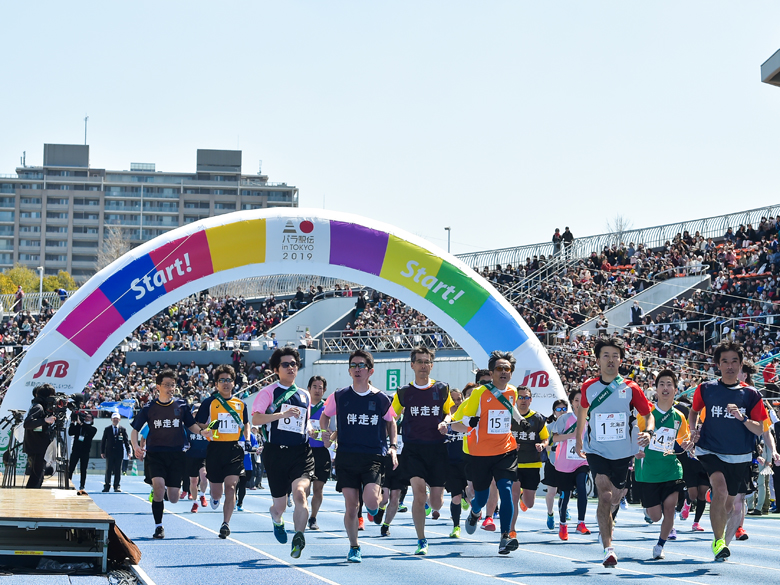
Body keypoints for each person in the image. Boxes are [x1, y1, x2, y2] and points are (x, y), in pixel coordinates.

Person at [575, 337, 654, 567]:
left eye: (615, 356)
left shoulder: (631, 388)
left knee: (616, 497)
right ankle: (608, 549)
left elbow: (648, 415)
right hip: (596, 449)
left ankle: (606, 522)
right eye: (606, 356)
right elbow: (582, 411)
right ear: (598, 360)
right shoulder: (589, 386)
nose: (611, 360)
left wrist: (648, 433)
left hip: (623, 452)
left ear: (621, 359)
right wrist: (580, 439)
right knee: (605, 493)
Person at [687, 341, 769, 561]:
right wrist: (693, 431)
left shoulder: (751, 394)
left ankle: (715, 507)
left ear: (741, 364)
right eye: (725, 361)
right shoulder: (706, 389)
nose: (730, 366)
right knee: (720, 489)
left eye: (735, 361)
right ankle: (718, 541)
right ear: (717, 364)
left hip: (740, 455)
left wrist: (742, 418)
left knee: (729, 503)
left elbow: (760, 427)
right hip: (710, 449)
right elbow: (693, 412)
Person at [320, 349, 398, 563]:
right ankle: (354, 546)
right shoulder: (339, 395)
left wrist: (393, 446)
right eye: (353, 365)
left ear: (370, 370)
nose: (357, 369)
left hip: (373, 455)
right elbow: (325, 416)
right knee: (351, 505)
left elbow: (391, 423)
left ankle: (375, 508)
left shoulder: (382, 398)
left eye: (361, 365)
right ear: (348, 370)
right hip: (346, 455)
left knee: (371, 500)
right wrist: (326, 434)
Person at [452, 351, 523, 556]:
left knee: (506, 490)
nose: (503, 372)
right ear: (491, 373)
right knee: (481, 497)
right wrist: (471, 422)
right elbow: (463, 420)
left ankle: (505, 536)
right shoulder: (479, 393)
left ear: (511, 373)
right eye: (499, 369)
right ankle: (475, 513)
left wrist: (521, 421)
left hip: (505, 450)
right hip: (480, 453)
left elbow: (512, 412)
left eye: (506, 369)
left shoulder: (513, 392)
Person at [390, 347, 454, 555]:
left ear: (431, 365)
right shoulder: (403, 392)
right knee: (418, 495)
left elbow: (450, 413)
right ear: (412, 365)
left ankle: (430, 499)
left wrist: (446, 422)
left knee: (436, 503)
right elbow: (390, 417)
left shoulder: (442, 389)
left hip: (437, 450)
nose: (423, 366)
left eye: (427, 362)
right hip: (413, 449)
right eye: (419, 362)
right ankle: (421, 539)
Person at [131, 368, 208, 540]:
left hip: (176, 455)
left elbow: (192, 426)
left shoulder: (181, 406)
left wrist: (203, 433)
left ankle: (165, 488)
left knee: (173, 498)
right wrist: (136, 446)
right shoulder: (149, 408)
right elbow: (135, 430)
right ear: (158, 387)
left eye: (172, 385)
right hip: (155, 454)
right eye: (166, 385)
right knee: (158, 486)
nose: (170, 388)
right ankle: (159, 527)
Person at [252, 347, 314, 559]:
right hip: (276, 453)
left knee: (300, 493)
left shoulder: (305, 395)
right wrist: (281, 414)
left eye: (293, 364)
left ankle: (299, 536)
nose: (290, 368)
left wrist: (311, 430)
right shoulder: (268, 392)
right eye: (285, 364)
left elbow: (304, 425)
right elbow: (256, 419)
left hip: (300, 453)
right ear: (276, 369)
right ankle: (276, 518)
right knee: (279, 506)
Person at [634, 370, 689, 560]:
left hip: (671, 469)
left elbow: (683, 441)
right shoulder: (646, 414)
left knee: (670, 507)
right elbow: (633, 436)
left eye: (669, 384)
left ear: (675, 389)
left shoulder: (679, 417)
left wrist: (690, 444)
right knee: (655, 516)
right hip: (648, 470)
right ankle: (648, 510)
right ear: (656, 389)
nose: (665, 388)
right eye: (662, 384)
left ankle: (660, 545)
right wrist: (635, 449)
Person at [196, 364, 250, 539]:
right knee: (217, 491)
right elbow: (199, 424)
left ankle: (226, 523)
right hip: (215, 449)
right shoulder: (210, 403)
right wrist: (209, 428)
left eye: (229, 380)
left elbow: (246, 423)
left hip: (234, 449)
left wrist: (247, 439)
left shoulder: (240, 404)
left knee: (231, 487)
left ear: (233, 383)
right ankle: (214, 497)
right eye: (222, 380)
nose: (226, 383)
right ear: (216, 384)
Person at [550, 390, 591, 540]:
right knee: (565, 495)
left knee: (582, 486)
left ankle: (581, 522)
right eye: (576, 400)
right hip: (564, 463)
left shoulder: (590, 419)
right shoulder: (565, 419)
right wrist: (572, 435)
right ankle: (562, 524)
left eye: (583, 400)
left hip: (582, 460)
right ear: (572, 403)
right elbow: (554, 439)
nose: (580, 403)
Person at [508, 386, 549, 538]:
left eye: (526, 397)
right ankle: (511, 529)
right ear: (515, 399)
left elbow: (545, 438)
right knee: (513, 494)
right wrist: (511, 443)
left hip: (532, 463)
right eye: (521, 397)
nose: (523, 400)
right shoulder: (509, 416)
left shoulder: (537, 418)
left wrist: (542, 445)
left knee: (529, 503)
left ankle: (523, 497)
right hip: (513, 463)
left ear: (531, 400)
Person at [307, 375, 331, 530]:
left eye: (320, 387)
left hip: (322, 452)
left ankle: (313, 517)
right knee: (304, 488)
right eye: (314, 386)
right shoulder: (303, 407)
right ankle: (301, 511)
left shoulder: (328, 409)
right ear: (309, 388)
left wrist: (329, 437)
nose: (317, 390)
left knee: (318, 488)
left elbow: (335, 430)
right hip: (304, 452)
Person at [23, 384, 56, 489]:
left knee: (38, 474)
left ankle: (32, 497)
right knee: (36, 475)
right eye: (52, 395)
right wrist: (45, 420)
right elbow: (27, 423)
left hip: (38, 445)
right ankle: (30, 497)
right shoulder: (38, 406)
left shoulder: (41, 406)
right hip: (36, 446)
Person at [541, 399, 568, 532]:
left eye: (564, 409)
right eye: (559, 409)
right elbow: (544, 444)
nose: (561, 412)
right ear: (553, 412)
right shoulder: (549, 427)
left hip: (567, 463)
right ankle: (550, 513)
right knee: (551, 492)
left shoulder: (571, 425)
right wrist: (552, 448)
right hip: (552, 462)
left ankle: (564, 509)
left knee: (565, 491)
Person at [185, 404, 209, 513]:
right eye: (195, 413)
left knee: (204, 477)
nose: (197, 415)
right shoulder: (188, 427)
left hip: (204, 456)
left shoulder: (208, 426)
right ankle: (195, 503)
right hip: (191, 456)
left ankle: (203, 495)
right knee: (193, 481)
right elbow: (182, 439)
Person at [101, 412, 130, 492]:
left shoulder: (123, 429)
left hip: (119, 453)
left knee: (118, 470)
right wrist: (102, 452)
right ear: (111, 419)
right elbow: (103, 441)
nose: (115, 420)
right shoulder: (107, 429)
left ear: (119, 420)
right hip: (109, 452)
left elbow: (126, 441)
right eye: (114, 419)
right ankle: (107, 486)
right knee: (108, 470)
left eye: (117, 419)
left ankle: (116, 486)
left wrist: (129, 451)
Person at [68, 411, 97, 492]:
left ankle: (82, 485)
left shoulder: (93, 429)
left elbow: (89, 431)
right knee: (71, 467)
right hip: (76, 450)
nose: (87, 418)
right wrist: (73, 423)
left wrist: (81, 423)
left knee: (83, 469)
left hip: (85, 451)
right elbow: (70, 432)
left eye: (89, 417)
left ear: (92, 419)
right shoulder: (79, 426)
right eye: (86, 417)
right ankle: (68, 481)